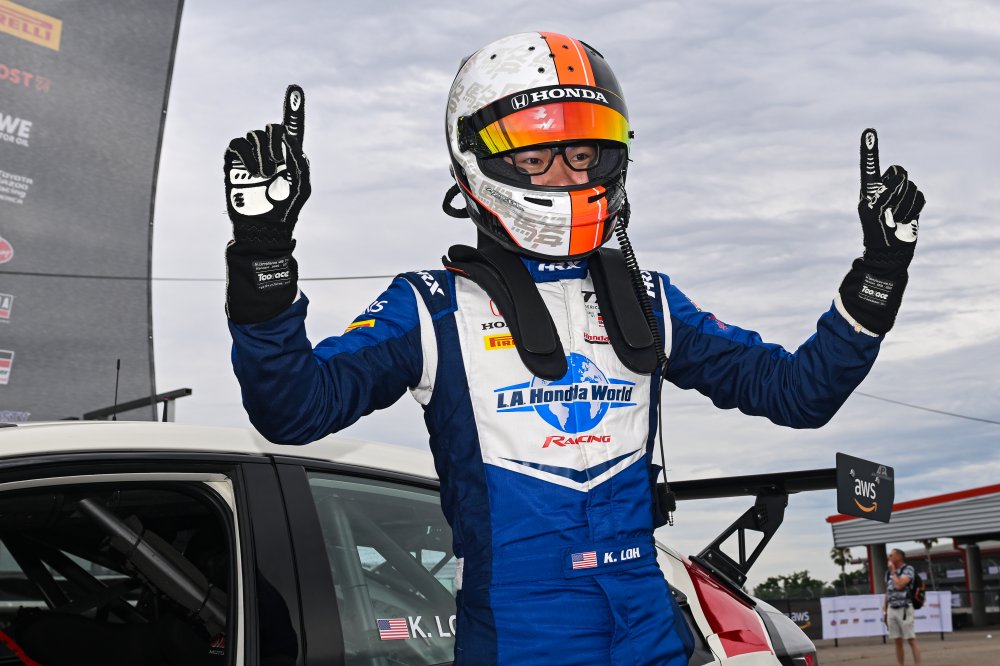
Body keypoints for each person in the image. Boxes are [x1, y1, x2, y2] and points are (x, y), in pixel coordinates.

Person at [222, 32, 925, 666]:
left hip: (648, 625)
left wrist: (880, 272)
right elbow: (293, 410)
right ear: (478, 161)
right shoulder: (432, 307)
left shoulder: (648, 299)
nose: (565, 175)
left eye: (583, 153)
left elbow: (799, 395)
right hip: (519, 633)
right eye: (537, 155)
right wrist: (262, 251)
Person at [884, 548, 922, 666]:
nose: (889, 557)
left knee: (910, 639)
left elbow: (900, 585)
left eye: (891, 555)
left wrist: (893, 571)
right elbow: (888, 592)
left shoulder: (908, 569)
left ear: (899, 557)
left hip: (905, 608)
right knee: (897, 640)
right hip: (892, 609)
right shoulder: (888, 573)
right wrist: (885, 611)